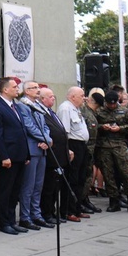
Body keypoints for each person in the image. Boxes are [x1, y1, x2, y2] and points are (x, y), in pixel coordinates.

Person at [0, 77, 29, 235]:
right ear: (5, 89)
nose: (17, 89)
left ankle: (12, 220)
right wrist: (3, 156)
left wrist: (27, 154)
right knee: (5, 190)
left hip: (19, 155)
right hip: (8, 157)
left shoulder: (15, 106)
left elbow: (22, 131)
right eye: (14, 86)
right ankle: (3, 222)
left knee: (15, 191)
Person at [95, 90, 128, 214]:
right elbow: (93, 125)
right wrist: (102, 127)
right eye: (110, 104)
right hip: (104, 146)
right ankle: (113, 201)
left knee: (126, 173)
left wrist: (120, 128)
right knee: (108, 175)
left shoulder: (124, 111)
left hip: (119, 145)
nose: (112, 106)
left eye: (114, 104)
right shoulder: (99, 111)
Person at [17, 81, 51, 230]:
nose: (38, 90)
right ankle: (25, 217)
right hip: (32, 149)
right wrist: (44, 138)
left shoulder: (38, 106)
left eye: (38, 88)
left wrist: (47, 140)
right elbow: (29, 126)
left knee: (39, 185)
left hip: (42, 149)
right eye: (34, 88)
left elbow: (44, 126)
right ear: (26, 91)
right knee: (28, 186)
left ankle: (36, 214)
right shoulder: (22, 106)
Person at [56, 86, 89, 221]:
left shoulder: (77, 109)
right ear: (72, 96)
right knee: (72, 179)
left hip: (82, 146)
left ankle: (77, 208)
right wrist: (68, 149)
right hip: (73, 145)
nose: (84, 97)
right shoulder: (65, 108)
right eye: (81, 95)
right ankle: (68, 211)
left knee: (81, 178)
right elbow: (64, 132)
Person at [38, 87, 70, 225]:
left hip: (60, 154)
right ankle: (46, 212)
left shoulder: (51, 112)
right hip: (51, 155)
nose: (53, 98)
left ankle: (52, 211)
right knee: (48, 187)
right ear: (43, 99)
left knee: (56, 186)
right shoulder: (41, 113)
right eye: (50, 96)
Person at [79, 88, 104, 213]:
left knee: (88, 176)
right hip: (85, 148)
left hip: (92, 148)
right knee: (84, 176)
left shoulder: (92, 113)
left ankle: (85, 199)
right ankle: (80, 200)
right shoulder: (84, 112)